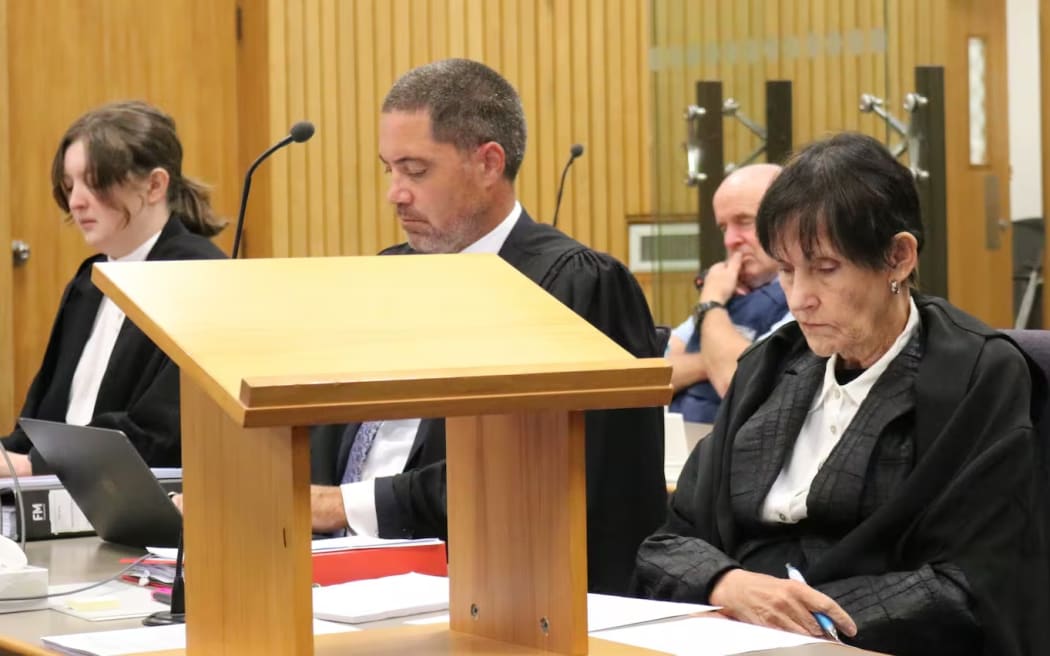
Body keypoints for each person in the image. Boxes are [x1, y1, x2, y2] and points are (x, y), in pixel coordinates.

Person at [633, 132, 1050, 655]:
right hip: (731, 626)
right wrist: (729, 585)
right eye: (786, 270)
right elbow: (668, 542)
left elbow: (974, 582)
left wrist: (796, 620)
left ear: (898, 258)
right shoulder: (770, 364)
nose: (801, 298)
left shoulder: (976, 375)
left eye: (825, 268)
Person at [309, 58, 666, 595]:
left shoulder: (571, 288)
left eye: (416, 170)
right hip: (342, 575)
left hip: (505, 593)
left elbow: (536, 475)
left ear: (488, 163)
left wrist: (342, 506)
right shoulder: (385, 275)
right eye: (390, 169)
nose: (395, 194)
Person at [0, 101, 227, 476]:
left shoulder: (202, 279)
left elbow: (164, 434)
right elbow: (41, 418)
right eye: (70, 185)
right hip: (60, 490)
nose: (76, 201)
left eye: (95, 183)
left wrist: (32, 467)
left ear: (155, 185)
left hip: (144, 503)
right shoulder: (90, 280)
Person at [667, 164, 789, 422]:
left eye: (744, 222)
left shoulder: (803, 297)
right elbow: (660, 373)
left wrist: (710, 303)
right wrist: (711, 360)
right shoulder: (729, 289)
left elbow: (736, 379)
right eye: (724, 228)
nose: (729, 241)